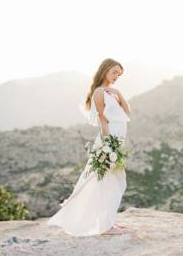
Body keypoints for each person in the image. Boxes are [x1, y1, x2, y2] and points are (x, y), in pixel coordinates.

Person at [47, 58, 131, 236]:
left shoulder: (112, 92)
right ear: (105, 70)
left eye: (119, 74)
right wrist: (108, 146)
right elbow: (102, 120)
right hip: (110, 142)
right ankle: (105, 226)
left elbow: (127, 113)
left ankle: (106, 223)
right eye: (114, 72)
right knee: (108, 182)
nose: (116, 76)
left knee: (113, 182)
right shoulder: (99, 92)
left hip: (117, 142)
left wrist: (119, 94)